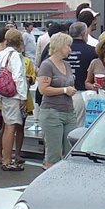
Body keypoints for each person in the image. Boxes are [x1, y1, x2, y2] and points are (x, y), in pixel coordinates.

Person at [37, 33, 78, 169]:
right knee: (53, 153)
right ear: (59, 46)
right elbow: (43, 89)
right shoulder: (47, 65)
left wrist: (71, 89)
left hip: (69, 111)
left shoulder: (67, 65)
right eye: (68, 46)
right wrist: (65, 90)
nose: (70, 49)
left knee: (70, 149)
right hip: (52, 112)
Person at [0, 29, 29, 171]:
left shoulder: (3, 54)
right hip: (13, 95)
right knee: (11, 127)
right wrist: (23, 97)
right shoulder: (15, 56)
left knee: (6, 126)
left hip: (4, 94)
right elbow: (18, 77)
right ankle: (7, 160)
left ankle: (5, 158)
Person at [65, 21, 98, 128]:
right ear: (84, 34)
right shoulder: (92, 51)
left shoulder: (62, 51)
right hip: (83, 95)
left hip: (61, 94)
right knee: (79, 129)